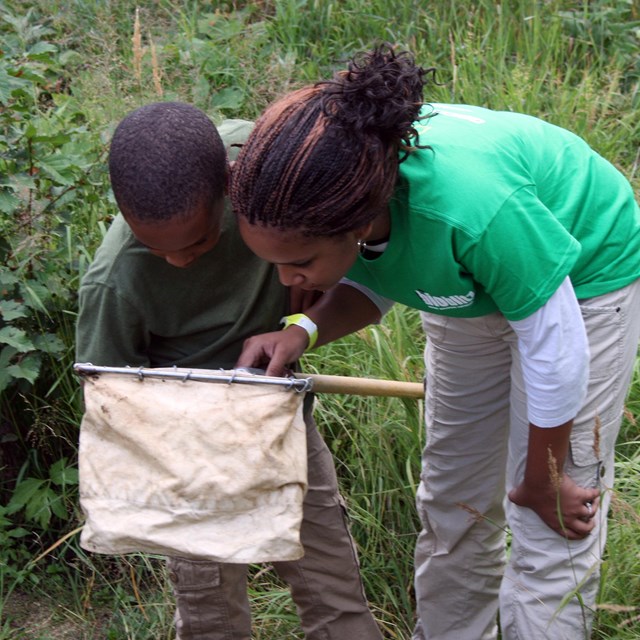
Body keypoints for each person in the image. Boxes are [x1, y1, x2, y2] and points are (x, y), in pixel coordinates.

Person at [230, 45, 640, 640]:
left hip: (582, 278)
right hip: (478, 275)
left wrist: (545, 476)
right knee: (454, 499)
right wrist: (301, 330)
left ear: (358, 220)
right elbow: (381, 278)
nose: (287, 281)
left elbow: (556, 348)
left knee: (549, 518)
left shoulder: (467, 209)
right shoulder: (349, 196)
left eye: (299, 264)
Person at [75, 101, 384, 640]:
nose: (177, 260)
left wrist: (306, 315)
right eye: (154, 248)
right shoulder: (114, 283)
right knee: (209, 610)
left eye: (197, 241)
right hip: (184, 447)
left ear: (231, 187)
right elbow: (113, 401)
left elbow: (349, 240)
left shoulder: (268, 171)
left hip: (277, 413)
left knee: (330, 584)